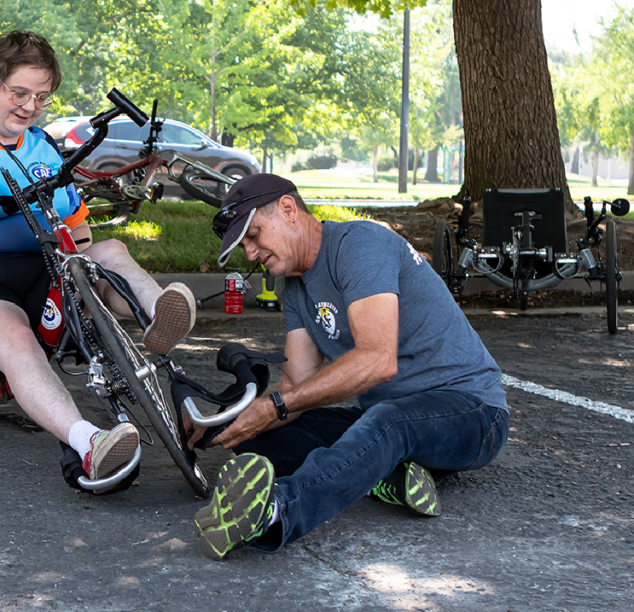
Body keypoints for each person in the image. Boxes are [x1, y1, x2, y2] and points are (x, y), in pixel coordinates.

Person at [0, 31, 197, 485]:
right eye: (19, 93)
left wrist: (81, 273)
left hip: (37, 268)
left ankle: (159, 316)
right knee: (18, 340)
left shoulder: (42, 147)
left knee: (109, 251)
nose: (30, 106)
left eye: (42, 97)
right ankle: (89, 444)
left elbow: (80, 234)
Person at [190, 173, 509, 560]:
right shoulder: (295, 285)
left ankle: (275, 512)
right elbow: (296, 384)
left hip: (473, 413)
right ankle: (389, 475)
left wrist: (275, 407)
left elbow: (378, 361)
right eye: (245, 246)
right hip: (391, 419)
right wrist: (222, 420)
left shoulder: (359, 245)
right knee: (254, 434)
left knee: (386, 422)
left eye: (254, 235)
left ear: (288, 209)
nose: (251, 254)